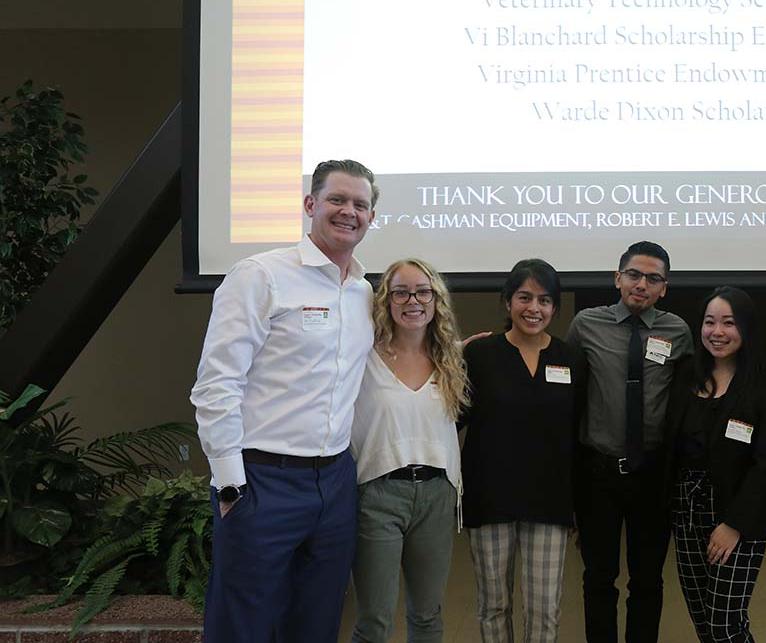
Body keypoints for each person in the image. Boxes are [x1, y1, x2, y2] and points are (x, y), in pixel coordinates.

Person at [191, 159, 378, 642]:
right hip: (262, 480)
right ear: (310, 205)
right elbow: (217, 383)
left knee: (315, 624)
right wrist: (230, 484)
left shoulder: (363, 292)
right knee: (243, 625)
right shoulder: (260, 276)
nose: (348, 212)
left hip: (335, 482)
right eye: (337, 199)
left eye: (360, 204)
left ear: (372, 217)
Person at [567, 240, 693, 643]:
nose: (642, 284)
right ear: (617, 278)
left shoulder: (678, 331)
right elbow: (568, 395)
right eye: (634, 275)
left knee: (648, 579)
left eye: (653, 278)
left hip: (653, 476)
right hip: (598, 471)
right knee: (599, 576)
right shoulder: (586, 324)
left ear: (664, 288)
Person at [460, 258, 584, 643]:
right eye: (524, 297)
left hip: (549, 501)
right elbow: (453, 417)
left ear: (555, 308)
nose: (535, 308)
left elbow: (579, 434)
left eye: (545, 300)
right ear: (507, 302)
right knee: (493, 605)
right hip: (490, 497)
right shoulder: (480, 356)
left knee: (544, 608)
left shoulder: (572, 360)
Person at [662, 287, 766, 643]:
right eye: (709, 322)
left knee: (725, 624)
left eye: (728, 323)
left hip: (739, 515)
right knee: (703, 618)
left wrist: (733, 524)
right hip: (686, 512)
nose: (717, 332)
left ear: (747, 329)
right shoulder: (685, 375)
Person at [349, 258, 470, 643]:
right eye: (400, 291)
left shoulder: (451, 359)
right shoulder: (362, 355)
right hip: (378, 495)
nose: (412, 300)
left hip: (437, 493)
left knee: (428, 615)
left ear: (436, 300)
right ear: (386, 299)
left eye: (422, 291)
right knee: (375, 620)